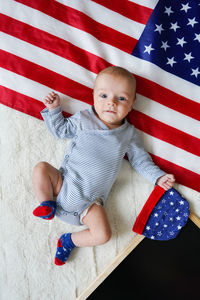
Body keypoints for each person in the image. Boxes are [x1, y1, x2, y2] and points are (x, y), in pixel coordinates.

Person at [32, 66, 175, 266]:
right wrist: (55, 110)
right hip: (62, 185)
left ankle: (68, 241)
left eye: (121, 99)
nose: (111, 103)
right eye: (104, 95)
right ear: (93, 96)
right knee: (41, 168)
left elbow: (140, 160)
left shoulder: (128, 134)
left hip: (90, 205)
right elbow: (61, 131)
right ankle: (45, 203)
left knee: (103, 235)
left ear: (132, 103)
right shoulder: (84, 118)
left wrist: (157, 177)